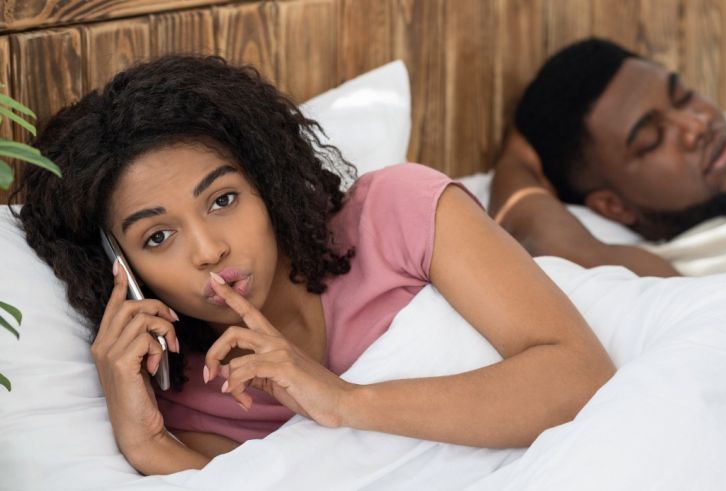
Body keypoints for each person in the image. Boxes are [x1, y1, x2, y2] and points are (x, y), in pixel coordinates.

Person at [9, 55, 614, 475]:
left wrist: (344, 402)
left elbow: (579, 376)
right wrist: (146, 444)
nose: (208, 250)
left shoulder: (398, 212)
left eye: (223, 200)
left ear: (267, 184)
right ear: (119, 268)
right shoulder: (193, 398)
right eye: (159, 236)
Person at [490, 37, 726, 281]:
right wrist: (515, 158)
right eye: (652, 139)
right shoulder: (681, 272)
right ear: (613, 207)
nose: (697, 126)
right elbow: (545, 241)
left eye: (684, 97)